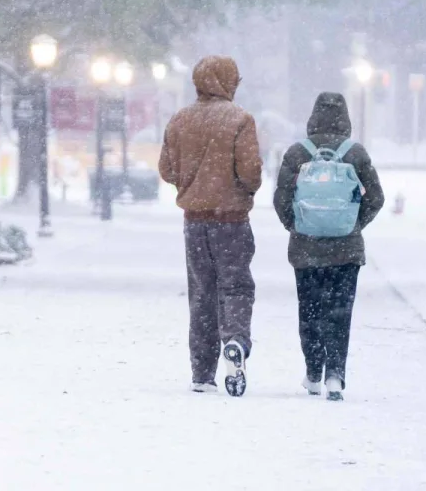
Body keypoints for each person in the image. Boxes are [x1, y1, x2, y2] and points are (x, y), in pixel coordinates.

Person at [159, 55, 263, 397]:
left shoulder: (179, 120)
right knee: (235, 286)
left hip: (194, 222)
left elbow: (166, 170)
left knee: (201, 293)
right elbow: (250, 172)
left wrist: (190, 186)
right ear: (227, 81)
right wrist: (240, 189)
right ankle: (234, 340)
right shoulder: (239, 120)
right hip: (232, 220)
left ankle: (203, 372)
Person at [274, 93, 384, 402]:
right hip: (346, 250)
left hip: (306, 250)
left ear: (313, 117)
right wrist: (354, 224)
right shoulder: (355, 153)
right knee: (339, 313)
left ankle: (312, 374)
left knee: (310, 311)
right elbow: (376, 197)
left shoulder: (297, 153)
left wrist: (297, 226)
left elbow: (280, 199)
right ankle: (335, 375)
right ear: (345, 119)